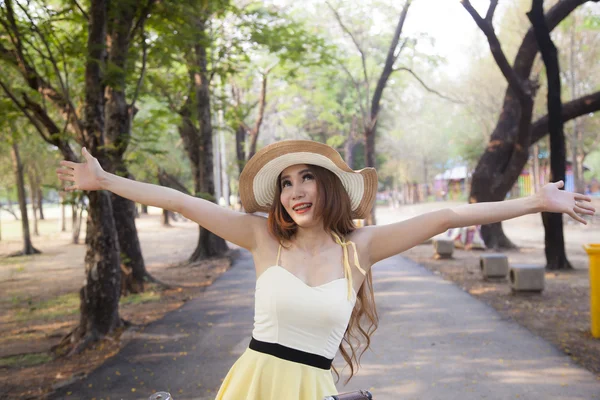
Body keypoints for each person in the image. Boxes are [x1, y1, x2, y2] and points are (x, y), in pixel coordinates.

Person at [56, 140, 595, 400]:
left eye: (305, 179)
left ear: (329, 186)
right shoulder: (260, 236)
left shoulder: (361, 248)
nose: (294, 192)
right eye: (285, 183)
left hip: (312, 389)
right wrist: (107, 182)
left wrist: (533, 203)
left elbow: (447, 215)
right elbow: (180, 199)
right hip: (254, 383)